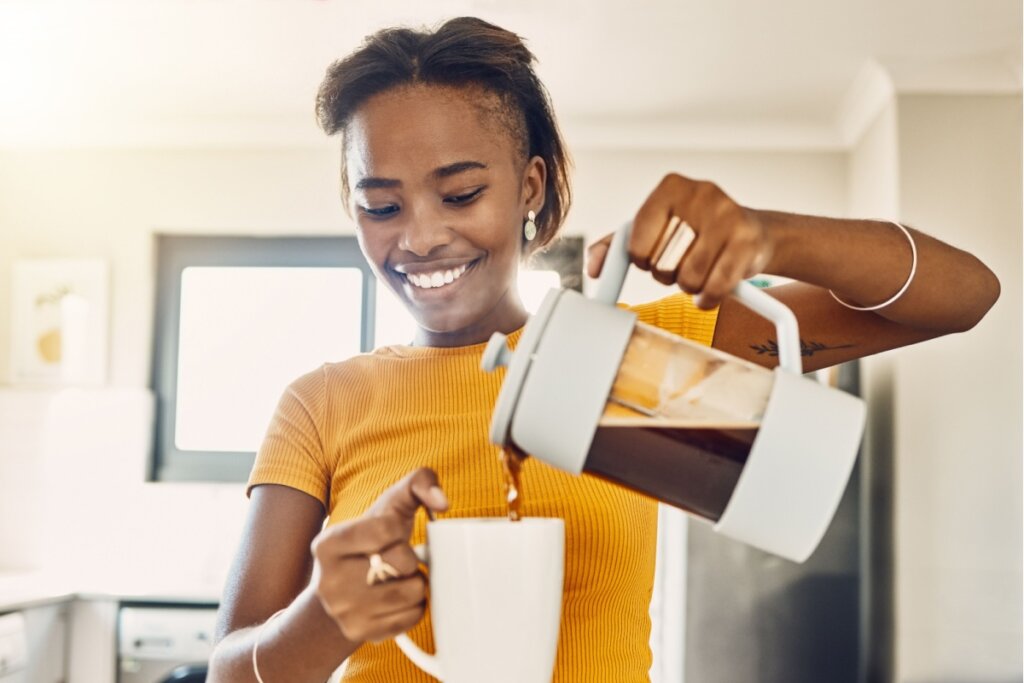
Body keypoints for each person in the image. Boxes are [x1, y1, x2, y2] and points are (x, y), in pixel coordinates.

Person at [206, 16, 1000, 683]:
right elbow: (227, 670)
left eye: (461, 193)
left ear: (531, 186)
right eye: (381, 206)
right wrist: (324, 618)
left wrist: (770, 236)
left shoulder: (638, 355)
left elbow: (965, 294)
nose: (419, 236)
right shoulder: (322, 403)